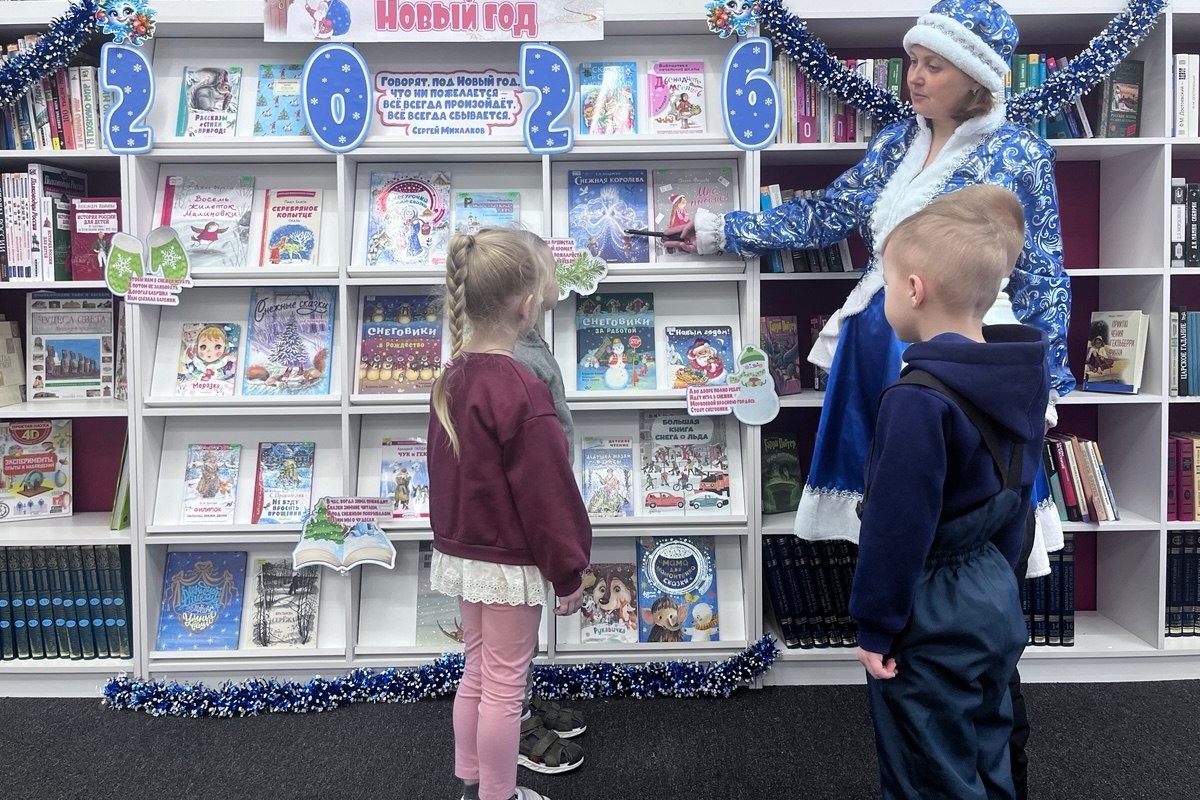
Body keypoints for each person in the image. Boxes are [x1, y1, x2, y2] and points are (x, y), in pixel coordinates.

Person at [666, 6, 1070, 791]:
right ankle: (909, 635)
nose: (914, 77)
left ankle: (952, 669)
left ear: (976, 76)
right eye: (911, 60)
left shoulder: (1018, 150)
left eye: (933, 64)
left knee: (964, 506)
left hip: (970, 349)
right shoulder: (895, 141)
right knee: (898, 505)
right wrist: (721, 231)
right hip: (883, 346)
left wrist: (1043, 382)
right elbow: (827, 213)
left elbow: (1044, 269)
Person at [851, 184, 1048, 799]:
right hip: (992, 591)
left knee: (929, 763)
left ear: (914, 289)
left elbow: (896, 527)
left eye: (886, 283)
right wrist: (997, 582)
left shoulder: (916, 399)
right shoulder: (1019, 375)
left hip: (930, 606)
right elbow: (1018, 495)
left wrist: (876, 626)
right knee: (990, 741)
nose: (885, 296)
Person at [428, 229, 593, 800]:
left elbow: (443, 473)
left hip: (464, 555)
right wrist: (567, 571)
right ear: (526, 305)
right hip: (507, 562)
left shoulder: (452, 374)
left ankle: (471, 780)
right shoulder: (521, 388)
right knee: (504, 686)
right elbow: (548, 495)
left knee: (476, 671)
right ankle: (497, 795)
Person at [510, 230, 590, 767]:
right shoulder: (516, 360)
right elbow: (533, 474)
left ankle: (519, 702)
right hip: (523, 523)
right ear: (530, 294)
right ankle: (514, 723)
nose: (561, 276)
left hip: (526, 519)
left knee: (520, 636)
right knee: (511, 642)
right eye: (553, 270)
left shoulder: (528, 341)